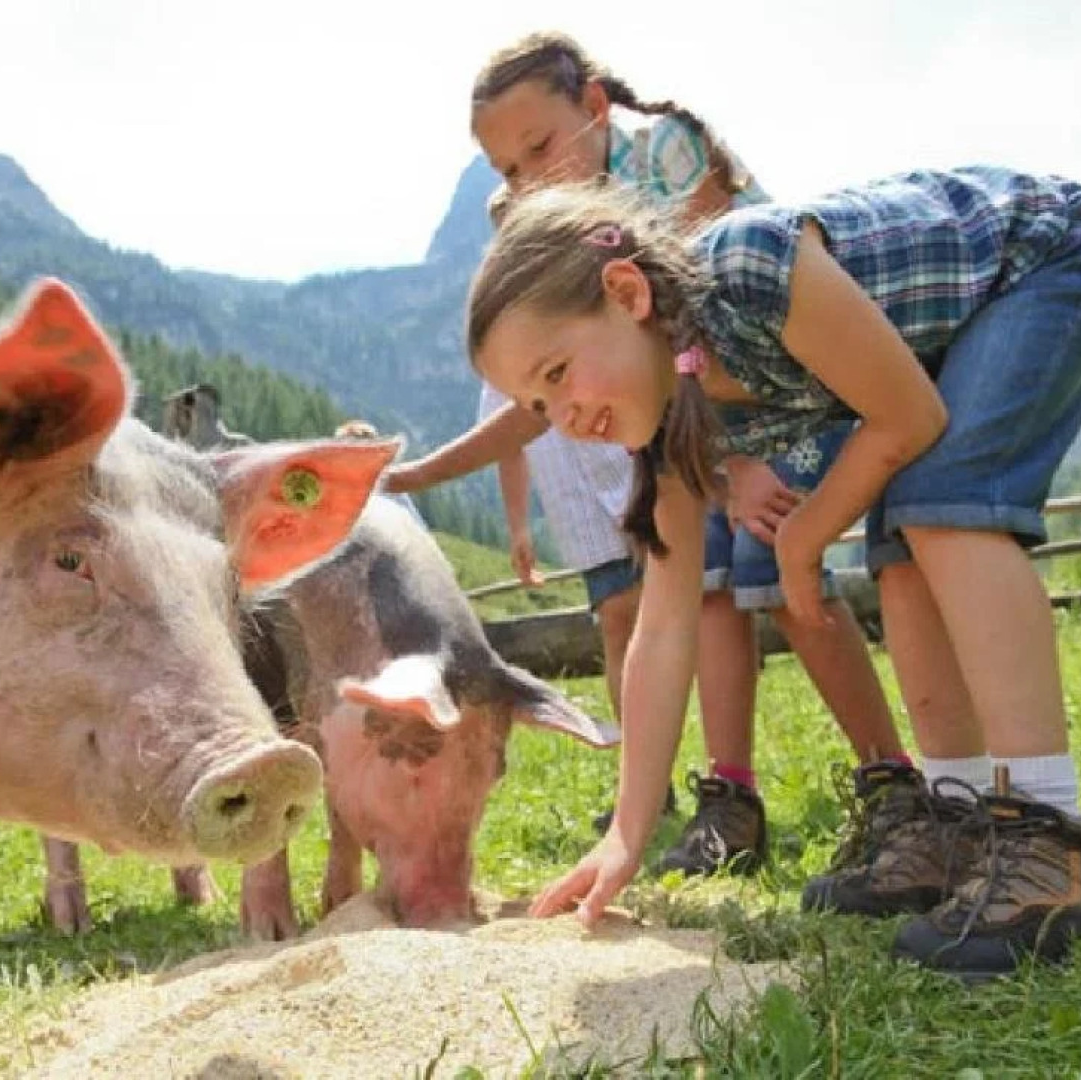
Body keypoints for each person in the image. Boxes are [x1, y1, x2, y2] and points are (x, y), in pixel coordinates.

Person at [470, 165, 1081, 979]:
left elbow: (910, 416)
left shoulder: (749, 271)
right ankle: (959, 824)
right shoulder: (674, 425)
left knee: (942, 507)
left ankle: (1053, 843)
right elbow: (664, 622)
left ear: (626, 293)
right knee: (900, 557)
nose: (563, 418)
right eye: (538, 409)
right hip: (948, 342)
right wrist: (626, 831)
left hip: (1043, 256)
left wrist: (801, 540)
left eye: (556, 374)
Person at [389, 31, 909, 876]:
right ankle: (729, 794)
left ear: (594, 107)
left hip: (776, 386)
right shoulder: (547, 235)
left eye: (540, 148)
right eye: (509, 171)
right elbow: (535, 406)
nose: (531, 180)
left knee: (777, 565)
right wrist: (418, 472)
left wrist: (738, 465)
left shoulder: (665, 151)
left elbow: (708, 308)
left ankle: (889, 777)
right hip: (681, 425)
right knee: (696, 586)